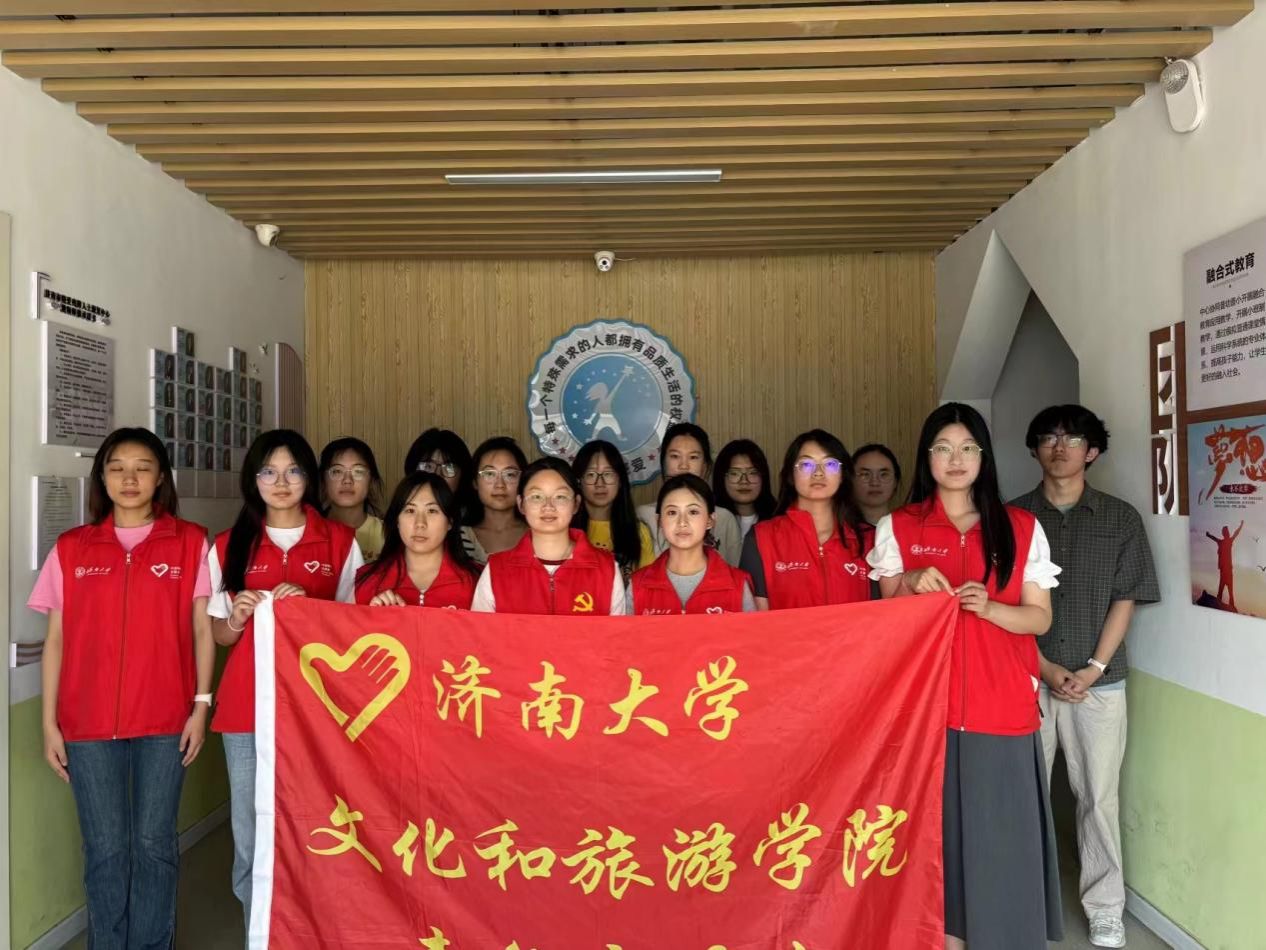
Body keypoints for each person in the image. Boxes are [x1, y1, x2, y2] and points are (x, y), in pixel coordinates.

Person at [867, 402, 1063, 950]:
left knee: (1002, 838)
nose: (956, 459)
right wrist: (908, 581)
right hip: (925, 712)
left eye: (967, 448)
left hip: (1002, 707)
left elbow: (1040, 618)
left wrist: (991, 609)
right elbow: (883, 619)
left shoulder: (1020, 527)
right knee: (936, 839)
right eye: (943, 448)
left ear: (983, 456)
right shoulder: (898, 526)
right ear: (926, 456)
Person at [29, 428, 214, 949]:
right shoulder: (72, 548)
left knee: (154, 845)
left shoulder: (191, 542)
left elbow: (203, 630)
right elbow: (56, 640)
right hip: (87, 724)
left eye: (142, 467)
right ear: (102, 478)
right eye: (117, 468)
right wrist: (49, 724)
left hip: (166, 720)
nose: (129, 479)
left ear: (160, 478)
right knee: (105, 848)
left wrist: (201, 707)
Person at [1011, 405, 1159, 949]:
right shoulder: (1010, 518)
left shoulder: (1120, 518)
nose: (1060, 447)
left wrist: (1093, 669)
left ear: (1092, 451)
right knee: (1021, 795)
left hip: (1102, 681)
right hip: (1026, 678)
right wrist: (1046, 667)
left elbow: (1126, 598)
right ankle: (1023, 903)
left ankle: (1104, 909)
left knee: (1098, 799)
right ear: (1034, 448)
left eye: (1072, 439)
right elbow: (1002, 603)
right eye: (1048, 438)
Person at [207, 429, 363, 928]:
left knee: (316, 819)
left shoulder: (340, 542)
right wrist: (237, 617)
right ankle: (257, 929)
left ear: (308, 478)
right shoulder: (228, 545)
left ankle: (311, 928)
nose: (281, 482)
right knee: (250, 826)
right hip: (246, 708)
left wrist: (313, 610)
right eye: (268, 472)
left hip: (316, 711)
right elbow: (219, 635)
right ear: (252, 480)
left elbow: (356, 629)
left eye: (292, 471)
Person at [471, 457, 624, 614]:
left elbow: (619, 630)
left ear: (576, 504)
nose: (548, 507)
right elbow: (479, 629)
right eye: (537, 497)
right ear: (521, 504)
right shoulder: (496, 571)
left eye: (560, 497)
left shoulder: (607, 570)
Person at [739, 429, 872, 610]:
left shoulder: (868, 539)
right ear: (790, 475)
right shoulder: (762, 538)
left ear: (843, 475)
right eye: (806, 464)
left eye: (830, 464)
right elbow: (756, 620)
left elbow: (882, 615)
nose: (818, 473)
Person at [629, 474, 755, 614]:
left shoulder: (738, 585)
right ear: (659, 521)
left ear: (710, 520)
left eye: (693, 512)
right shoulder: (637, 586)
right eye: (672, 512)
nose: (682, 522)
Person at [355, 472, 478, 608]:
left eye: (432, 511)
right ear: (397, 520)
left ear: (450, 522)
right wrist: (371, 615)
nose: (420, 523)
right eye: (410, 510)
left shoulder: (477, 583)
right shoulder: (367, 582)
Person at [636, 423, 743, 566]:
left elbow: (733, 573)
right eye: (675, 456)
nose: (684, 466)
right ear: (663, 463)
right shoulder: (643, 515)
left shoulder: (724, 519)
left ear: (705, 467)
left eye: (693, 457)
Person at [572, 440, 655, 580]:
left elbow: (648, 585)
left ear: (620, 480)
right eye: (591, 474)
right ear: (579, 481)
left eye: (608, 474)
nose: (600, 483)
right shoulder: (565, 529)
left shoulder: (639, 532)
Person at [461, 436, 528, 564]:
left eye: (510, 474)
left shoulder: (539, 534)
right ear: (475, 482)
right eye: (489, 474)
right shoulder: (457, 538)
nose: (500, 485)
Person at [320, 436, 386, 561]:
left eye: (358, 471)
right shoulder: (309, 531)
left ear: (371, 481)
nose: (347, 480)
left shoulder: (388, 534)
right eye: (337, 471)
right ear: (323, 481)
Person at [712, 438, 776, 541]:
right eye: (734, 473)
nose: (744, 481)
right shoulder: (710, 519)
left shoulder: (778, 520)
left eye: (752, 473)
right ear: (721, 478)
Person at [852, 442, 902, 526]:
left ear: (895, 481)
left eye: (883, 474)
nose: (875, 483)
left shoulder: (908, 528)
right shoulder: (838, 529)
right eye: (865, 474)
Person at [1207, 521, 1244, 611]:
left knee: (1229, 592)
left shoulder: (1227, 541)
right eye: (1225, 532)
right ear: (1224, 533)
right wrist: (1209, 535)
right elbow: (1214, 538)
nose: (1227, 533)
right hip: (1224, 571)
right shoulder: (1222, 542)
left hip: (1227, 571)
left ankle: (1231, 609)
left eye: (1227, 531)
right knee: (1222, 591)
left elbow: (1236, 533)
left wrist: (1241, 525)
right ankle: (1222, 608)